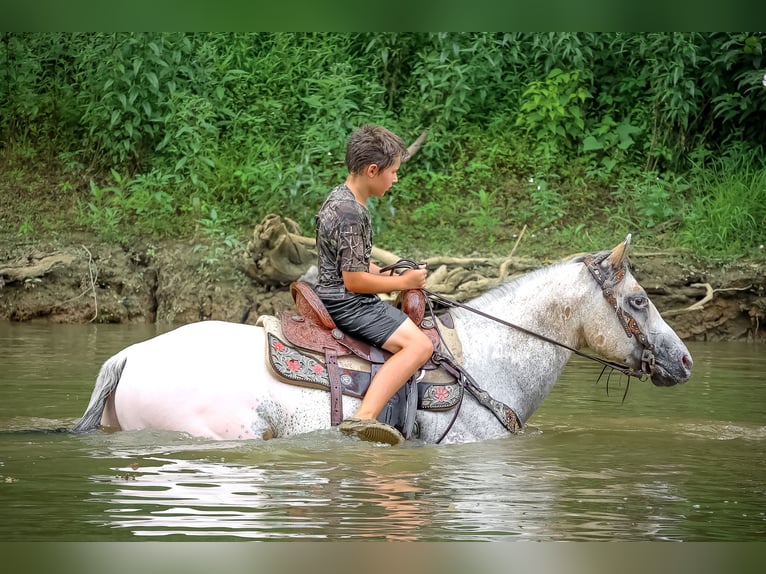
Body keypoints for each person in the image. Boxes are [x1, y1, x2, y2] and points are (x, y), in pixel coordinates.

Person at [314, 125, 434, 445]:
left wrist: (380, 272)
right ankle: (363, 416)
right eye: (393, 172)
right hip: (346, 302)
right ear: (372, 170)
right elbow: (353, 281)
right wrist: (403, 283)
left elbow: (346, 259)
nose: (395, 179)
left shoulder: (340, 198)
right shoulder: (352, 212)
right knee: (420, 346)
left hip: (330, 291)